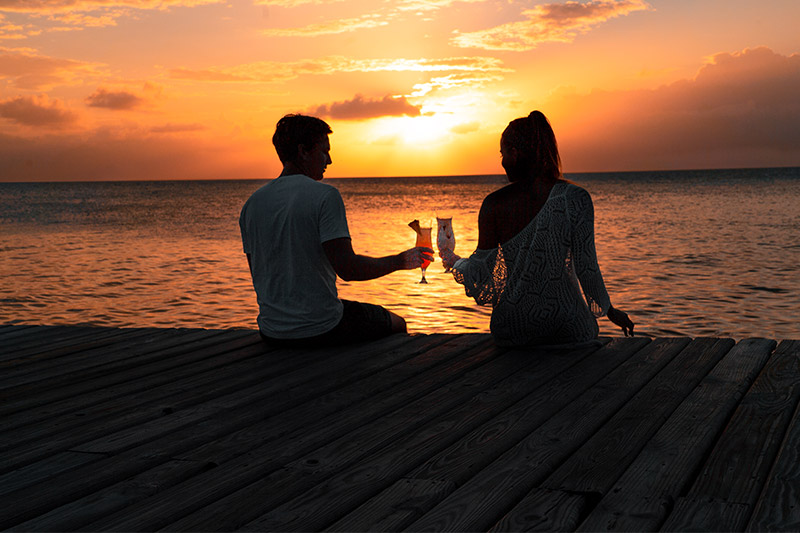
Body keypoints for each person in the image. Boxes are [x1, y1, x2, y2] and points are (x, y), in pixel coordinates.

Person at [440, 111, 634, 346]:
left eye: (502, 154)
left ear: (514, 153)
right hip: (569, 326)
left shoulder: (494, 204)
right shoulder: (575, 198)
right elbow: (587, 267)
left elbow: (485, 277)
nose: (501, 163)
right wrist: (610, 311)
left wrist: (454, 262)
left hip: (514, 328)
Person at [240, 114, 433, 347]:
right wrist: (399, 261)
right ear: (303, 151)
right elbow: (348, 269)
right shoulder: (325, 196)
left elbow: (259, 275)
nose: (329, 160)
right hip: (322, 327)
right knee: (397, 323)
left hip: (272, 331)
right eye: (324, 151)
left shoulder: (252, 204)